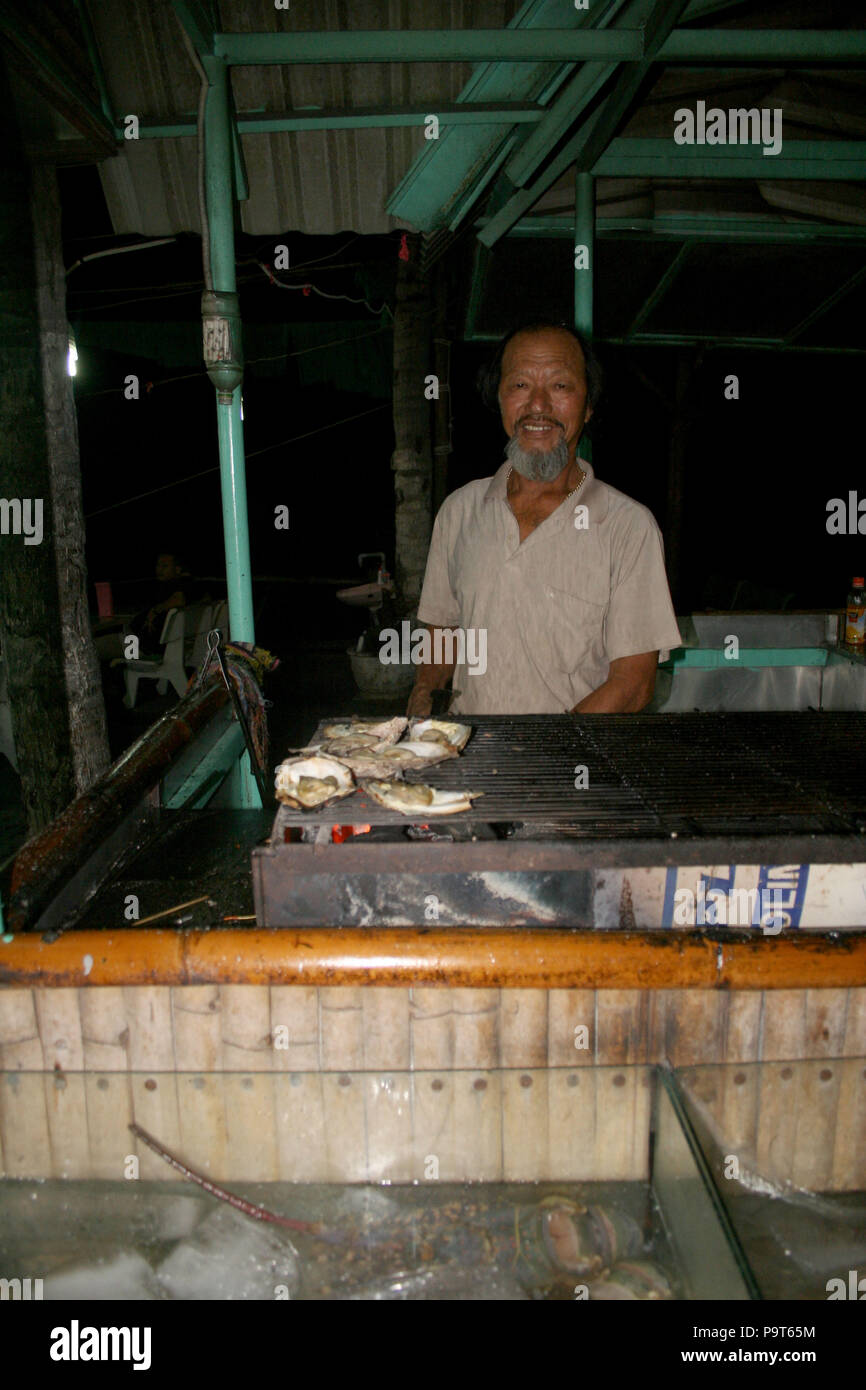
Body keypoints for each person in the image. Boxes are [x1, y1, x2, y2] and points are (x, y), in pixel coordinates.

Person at [407, 321, 682, 716]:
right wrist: (425, 694)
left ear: (588, 406)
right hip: (467, 750)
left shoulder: (627, 527)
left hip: (572, 764)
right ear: (499, 398)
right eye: (520, 385)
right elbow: (443, 629)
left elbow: (633, 684)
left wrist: (547, 751)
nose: (537, 405)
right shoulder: (459, 511)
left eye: (560, 386)